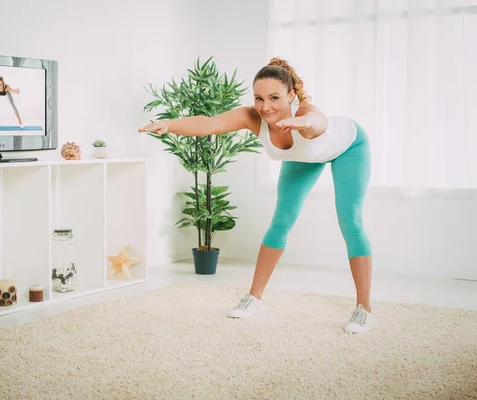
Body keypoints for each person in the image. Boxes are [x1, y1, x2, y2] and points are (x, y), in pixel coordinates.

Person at [138, 57, 376, 334]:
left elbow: (316, 121)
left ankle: (364, 310)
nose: (265, 107)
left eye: (274, 98)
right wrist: (169, 124)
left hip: (349, 147)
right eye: (259, 98)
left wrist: (301, 123)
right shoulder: (253, 117)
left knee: (351, 221)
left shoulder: (306, 112)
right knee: (281, 221)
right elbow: (208, 124)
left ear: (291, 95)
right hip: (305, 157)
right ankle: (254, 298)